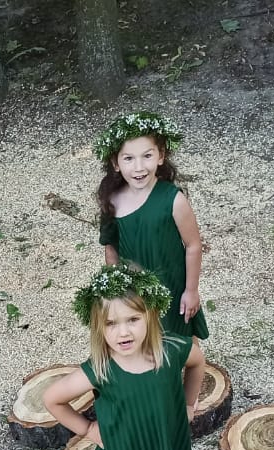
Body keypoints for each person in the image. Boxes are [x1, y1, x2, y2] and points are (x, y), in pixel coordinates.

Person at [43, 264, 201, 450]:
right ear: (98, 327)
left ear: (150, 316)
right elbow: (52, 399)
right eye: (111, 323)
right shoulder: (101, 368)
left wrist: (189, 404)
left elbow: (197, 362)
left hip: (161, 443)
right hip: (121, 449)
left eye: (132, 319)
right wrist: (87, 428)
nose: (123, 331)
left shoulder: (169, 352)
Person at [94, 110, 207, 414]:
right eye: (128, 159)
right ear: (116, 163)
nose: (139, 166)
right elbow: (111, 248)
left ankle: (186, 399)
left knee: (174, 340)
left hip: (170, 286)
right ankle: (147, 393)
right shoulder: (113, 201)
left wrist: (191, 290)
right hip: (135, 292)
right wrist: (114, 288)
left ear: (161, 156)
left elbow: (193, 245)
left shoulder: (173, 199)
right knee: (139, 338)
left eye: (147, 156)